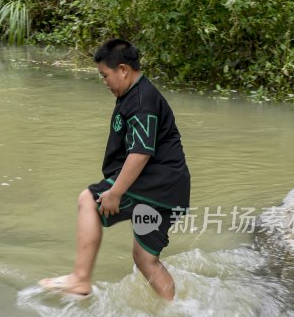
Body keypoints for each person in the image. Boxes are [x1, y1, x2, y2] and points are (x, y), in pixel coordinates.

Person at [39, 39, 190, 301]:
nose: (104, 82)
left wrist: (115, 193)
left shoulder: (142, 100)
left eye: (105, 75)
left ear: (123, 69)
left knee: (88, 200)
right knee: (145, 259)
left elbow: (141, 152)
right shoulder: (135, 94)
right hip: (170, 190)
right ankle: (175, 311)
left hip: (155, 185)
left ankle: (80, 280)